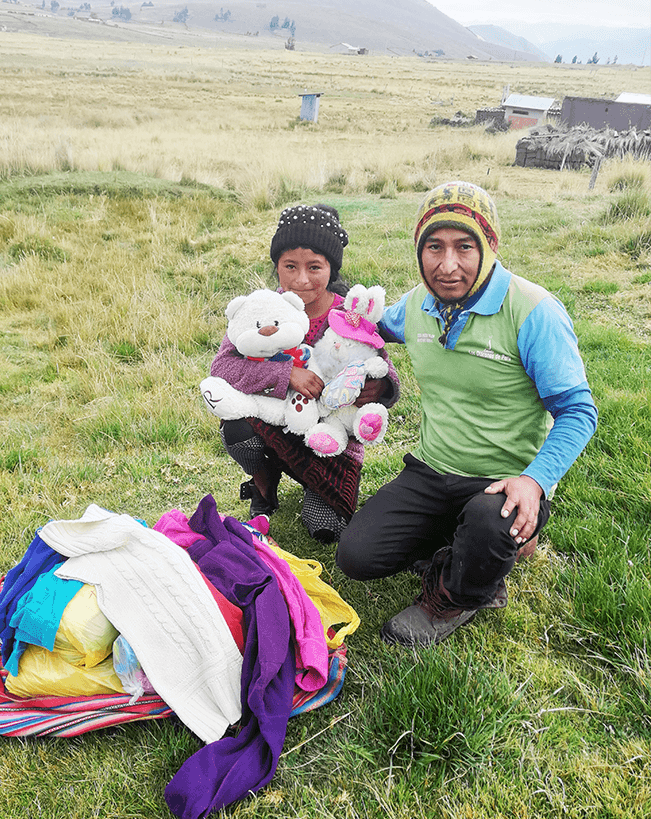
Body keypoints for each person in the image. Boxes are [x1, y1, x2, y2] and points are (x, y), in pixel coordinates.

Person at [337, 181, 597, 647]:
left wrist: (534, 481)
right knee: (357, 557)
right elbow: (365, 324)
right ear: (419, 250)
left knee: (487, 522)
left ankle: (461, 593)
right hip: (433, 469)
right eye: (433, 247)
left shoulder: (534, 311)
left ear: (490, 247)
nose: (447, 264)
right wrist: (309, 301)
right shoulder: (416, 305)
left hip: (504, 481)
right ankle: (482, 546)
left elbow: (578, 411)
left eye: (464, 246)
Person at [210, 204, 400, 543]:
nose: (301, 279)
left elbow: (381, 364)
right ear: (276, 267)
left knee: (325, 530)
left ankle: (317, 489)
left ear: (332, 267)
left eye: (315, 267)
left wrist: (381, 388)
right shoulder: (263, 308)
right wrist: (287, 375)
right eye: (289, 266)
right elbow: (222, 367)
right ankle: (263, 486)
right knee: (236, 427)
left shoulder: (349, 316)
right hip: (274, 422)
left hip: (331, 441)